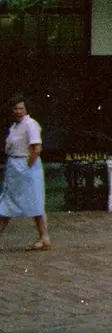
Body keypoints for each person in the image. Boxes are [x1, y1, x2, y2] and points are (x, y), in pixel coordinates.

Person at [0, 95, 50, 250]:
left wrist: (27, 167)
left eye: (21, 108)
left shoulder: (31, 124)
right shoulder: (14, 127)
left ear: (26, 109)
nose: (18, 111)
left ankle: (44, 238)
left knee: (35, 202)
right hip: (14, 166)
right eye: (15, 108)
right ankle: (44, 238)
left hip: (27, 166)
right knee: (6, 203)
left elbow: (36, 148)